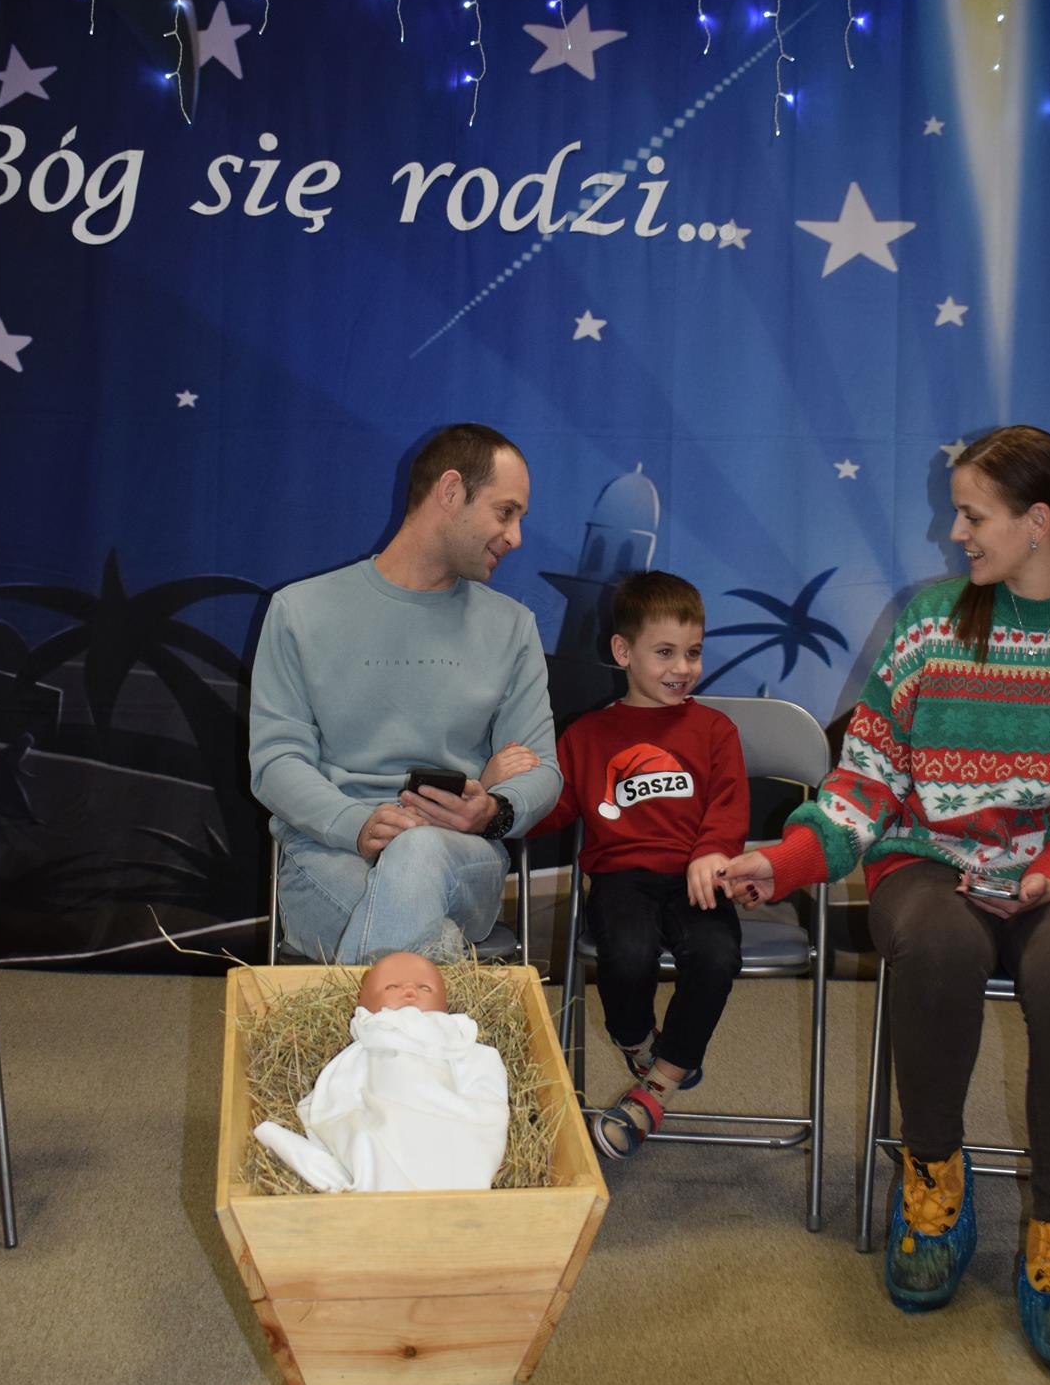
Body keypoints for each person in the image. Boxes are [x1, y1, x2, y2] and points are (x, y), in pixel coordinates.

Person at [721, 426, 1050, 1377]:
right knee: (936, 949)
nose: (956, 533)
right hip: (930, 860)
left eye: (973, 515)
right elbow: (867, 779)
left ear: (1038, 522)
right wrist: (790, 859)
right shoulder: (933, 623)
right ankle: (932, 1188)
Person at [250, 424, 561, 963]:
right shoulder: (299, 611)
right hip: (329, 852)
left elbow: (543, 771)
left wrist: (491, 812)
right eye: (505, 512)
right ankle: (439, 964)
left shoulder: (513, 626)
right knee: (404, 916)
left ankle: (375, 1009)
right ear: (450, 492)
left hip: (461, 855)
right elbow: (276, 762)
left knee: (417, 853)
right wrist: (356, 825)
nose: (516, 537)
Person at [529, 571, 749, 1161]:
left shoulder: (715, 730)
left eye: (693, 652)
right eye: (665, 652)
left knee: (716, 953)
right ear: (623, 652)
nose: (683, 667)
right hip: (621, 877)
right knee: (626, 954)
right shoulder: (587, 735)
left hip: (697, 876)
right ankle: (637, 1041)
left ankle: (658, 1086)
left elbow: (729, 804)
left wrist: (712, 851)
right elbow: (553, 810)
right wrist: (505, 803)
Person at [253, 951, 509, 1192]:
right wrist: (342, 1121)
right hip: (388, 1120)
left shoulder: (456, 1042)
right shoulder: (369, 1045)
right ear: (365, 1006)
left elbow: (485, 1084)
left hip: (449, 1124)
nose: (409, 990)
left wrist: (476, 1116)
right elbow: (342, 1093)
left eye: (424, 988)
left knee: (452, 1150)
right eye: (392, 987)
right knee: (367, 1139)